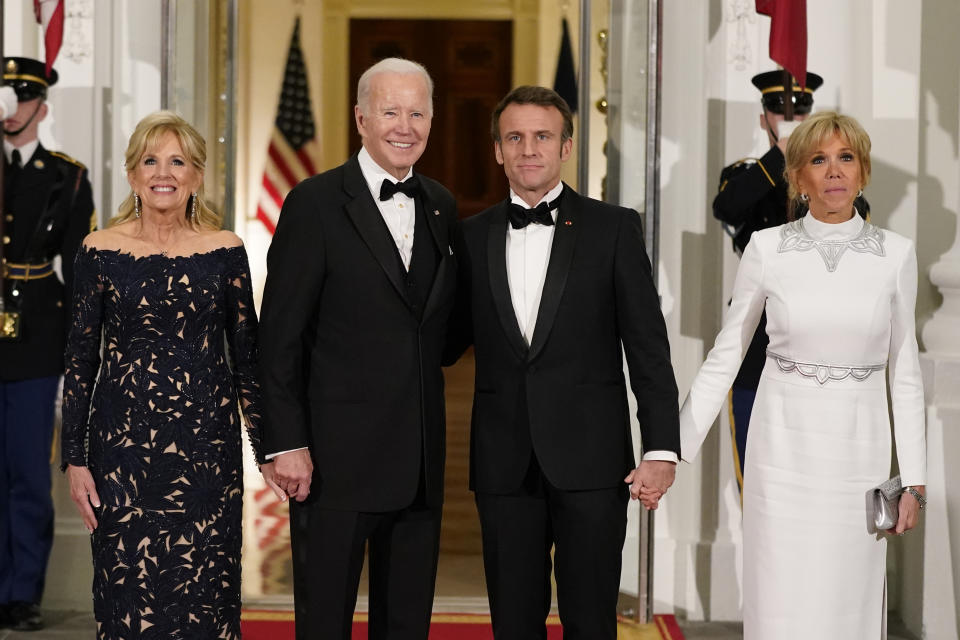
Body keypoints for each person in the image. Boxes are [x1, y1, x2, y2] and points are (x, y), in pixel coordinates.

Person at [445, 86, 680, 639]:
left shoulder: (614, 229)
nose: (529, 149)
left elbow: (648, 348)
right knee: (513, 622)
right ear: (498, 150)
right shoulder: (469, 237)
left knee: (591, 621)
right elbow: (443, 342)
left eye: (543, 136)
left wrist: (662, 448)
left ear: (567, 146)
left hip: (594, 464)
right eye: (515, 137)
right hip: (503, 464)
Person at [679, 111, 926, 639]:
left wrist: (915, 481)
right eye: (818, 160)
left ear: (861, 172)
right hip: (781, 452)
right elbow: (728, 350)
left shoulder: (897, 255)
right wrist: (671, 447)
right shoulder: (767, 249)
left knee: (848, 593)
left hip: (858, 455)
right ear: (798, 176)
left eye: (845, 158)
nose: (833, 171)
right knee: (780, 591)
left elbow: (905, 374)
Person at [60, 111, 281, 639]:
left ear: (197, 175)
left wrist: (267, 450)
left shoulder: (225, 249)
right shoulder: (99, 250)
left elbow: (247, 357)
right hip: (123, 457)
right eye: (151, 161)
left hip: (206, 457)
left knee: (205, 598)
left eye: (178, 161)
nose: (165, 172)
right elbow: (79, 362)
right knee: (127, 602)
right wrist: (75, 459)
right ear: (133, 175)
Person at [258, 58, 459, 639]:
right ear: (361, 119)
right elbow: (279, 337)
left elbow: (446, 330)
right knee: (324, 622)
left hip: (419, 461)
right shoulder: (313, 203)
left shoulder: (443, 205)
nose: (405, 125)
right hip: (331, 462)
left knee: (406, 625)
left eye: (417, 112)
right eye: (391, 111)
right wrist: (286, 443)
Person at [712, 70, 869, 490]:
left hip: (821, 343)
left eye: (801, 109)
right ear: (764, 117)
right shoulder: (747, 171)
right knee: (758, 477)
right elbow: (727, 207)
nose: (791, 116)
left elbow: (857, 216)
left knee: (820, 478)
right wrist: (780, 156)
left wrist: (808, 165)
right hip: (758, 342)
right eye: (780, 109)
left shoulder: (831, 182)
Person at [0, 56, 95, 632]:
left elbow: (78, 267)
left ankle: (20, 593)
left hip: (35, 334)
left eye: (21, 98)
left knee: (28, 474)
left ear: (41, 106)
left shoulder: (66, 175)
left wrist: (85, 346)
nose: (12, 109)